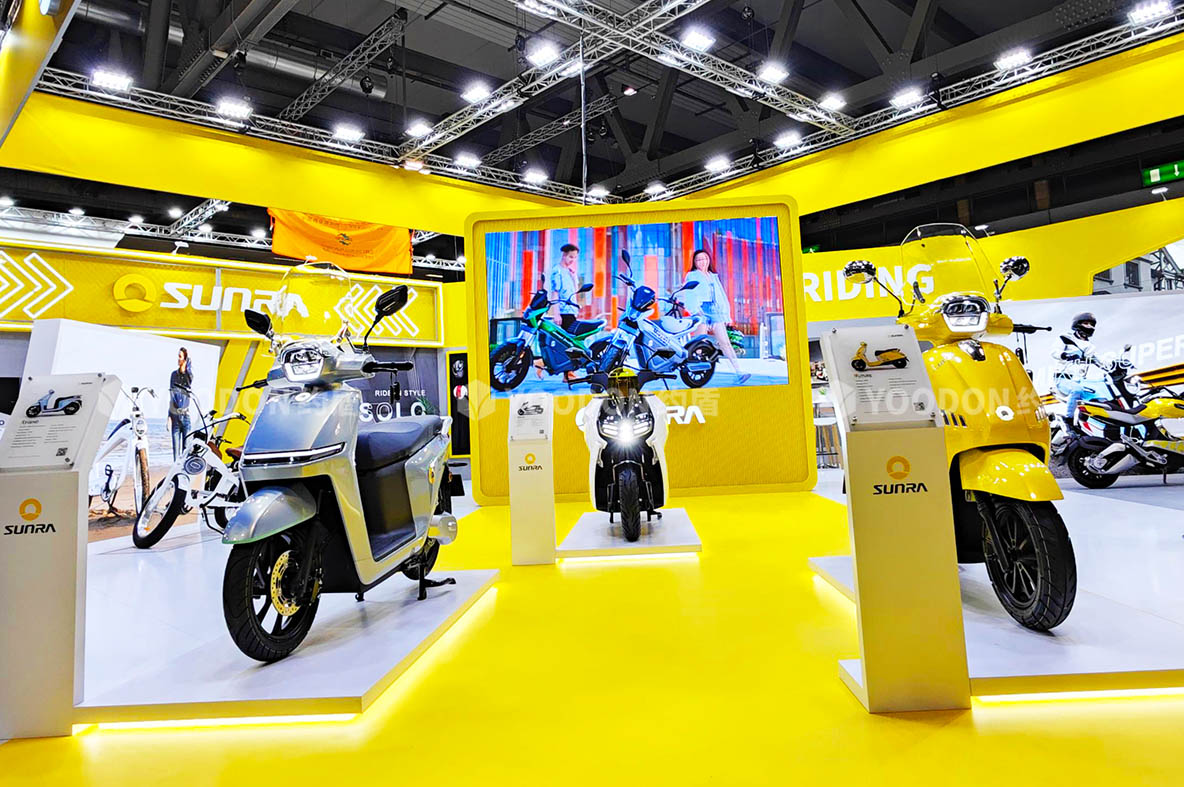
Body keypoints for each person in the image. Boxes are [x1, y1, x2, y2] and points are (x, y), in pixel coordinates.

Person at [683, 248, 749, 383]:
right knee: (698, 343)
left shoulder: (713, 276)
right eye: (699, 260)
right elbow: (689, 294)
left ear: (708, 260)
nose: (702, 262)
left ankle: (738, 372)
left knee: (725, 342)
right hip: (701, 309)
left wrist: (726, 315)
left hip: (715, 309)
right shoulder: (692, 275)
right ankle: (695, 372)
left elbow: (721, 296)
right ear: (694, 262)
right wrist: (696, 311)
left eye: (705, 259)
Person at [1052, 312, 1097, 419]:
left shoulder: (1090, 347)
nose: (1089, 326)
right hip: (1063, 379)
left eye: (1091, 324)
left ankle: (1088, 422)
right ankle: (1068, 419)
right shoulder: (1066, 338)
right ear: (1078, 324)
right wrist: (1066, 355)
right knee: (1077, 390)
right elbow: (1054, 352)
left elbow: (1098, 359)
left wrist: (1116, 363)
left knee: (1099, 395)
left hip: (1080, 380)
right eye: (1086, 323)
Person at [168, 347, 193, 460]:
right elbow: (172, 396)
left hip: (186, 416)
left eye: (180, 357)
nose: (178, 359)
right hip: (175, 417)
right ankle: (176, 471)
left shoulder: (189, 375)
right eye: (178, 356)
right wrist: (169, 417)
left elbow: (189, 379)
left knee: (186, 451)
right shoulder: (173, 375)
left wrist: (186, 366)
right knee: (176, 452)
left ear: (185, 359)